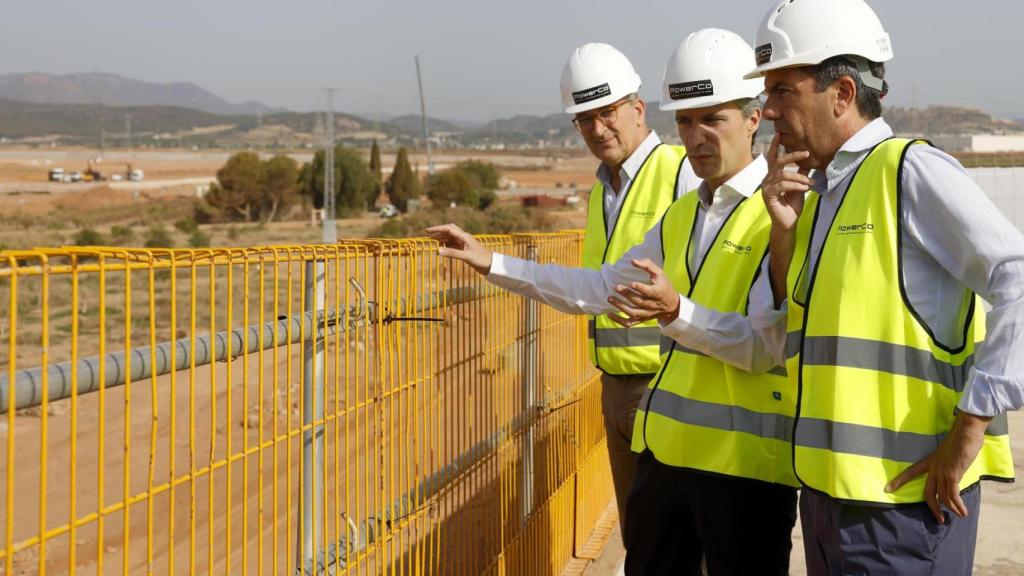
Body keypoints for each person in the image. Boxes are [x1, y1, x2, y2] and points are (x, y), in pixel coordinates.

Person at [428, 29, 798, 576]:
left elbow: (766, 348)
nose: (696, 136)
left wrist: (677, 313)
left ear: (753, 120)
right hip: (669, 452)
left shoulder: (783, 214)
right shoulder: (683, 216)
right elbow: (596, 289)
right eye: (687, 121)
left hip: (743, 468)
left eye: (713, 118)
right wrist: (492, 262)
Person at [736, 0, 1019, 572]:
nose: (768, 112)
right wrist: (784, 230)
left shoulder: (909, 171)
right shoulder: (821, 195)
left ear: (841, 93)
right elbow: (785, 332)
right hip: (826, 499)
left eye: (784, 91)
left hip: (902, 508)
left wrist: (971, 426)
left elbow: (1017, 273)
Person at [530, 42, 701, 541]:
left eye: (607, 113)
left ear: (637, 108)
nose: (598, 128)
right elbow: (597, 287)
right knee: (642, 542)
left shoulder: (680, 172)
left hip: (669, 384)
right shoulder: (601, 191)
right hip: (616, 388)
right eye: (584, 119)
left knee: (683, 543)